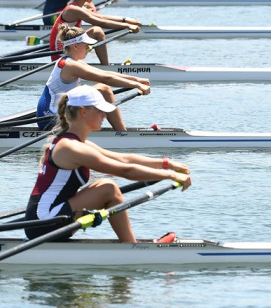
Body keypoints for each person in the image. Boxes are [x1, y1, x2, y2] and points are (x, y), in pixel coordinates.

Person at [25, 85, 191, 243]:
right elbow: (126, 171)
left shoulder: (75, 143)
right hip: (43, 221)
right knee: (109, 189)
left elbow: (124, 159)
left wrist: (167, 164)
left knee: (105, 185)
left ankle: (130, 245)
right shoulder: (71, 147)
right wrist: (171, 175)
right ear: (83, 112)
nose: (104, 115)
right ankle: (131, 248)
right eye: (99, 110)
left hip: (45, 217)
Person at [36, 25, 151, 131]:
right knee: (104, 89)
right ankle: (122, 134)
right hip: (50, 119)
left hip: (55, 114)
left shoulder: (74, 62)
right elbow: (106, 79)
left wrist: (137, 80)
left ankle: (120, 132)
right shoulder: (70, 65)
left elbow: (106, 73)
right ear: (75, 46)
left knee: (101, 90)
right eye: (86, 45)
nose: (89, 48)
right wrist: (137, 86)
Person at [49, 0, 132, 65]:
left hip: (70, 45)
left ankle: (106, 66)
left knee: (96, 31)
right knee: (98, 32)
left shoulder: (79, 7)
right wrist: (127, 26)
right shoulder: (73, 10)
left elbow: (101, 17)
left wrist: (126, 20)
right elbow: (100, 22)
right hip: (61, 55)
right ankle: (106, 66)